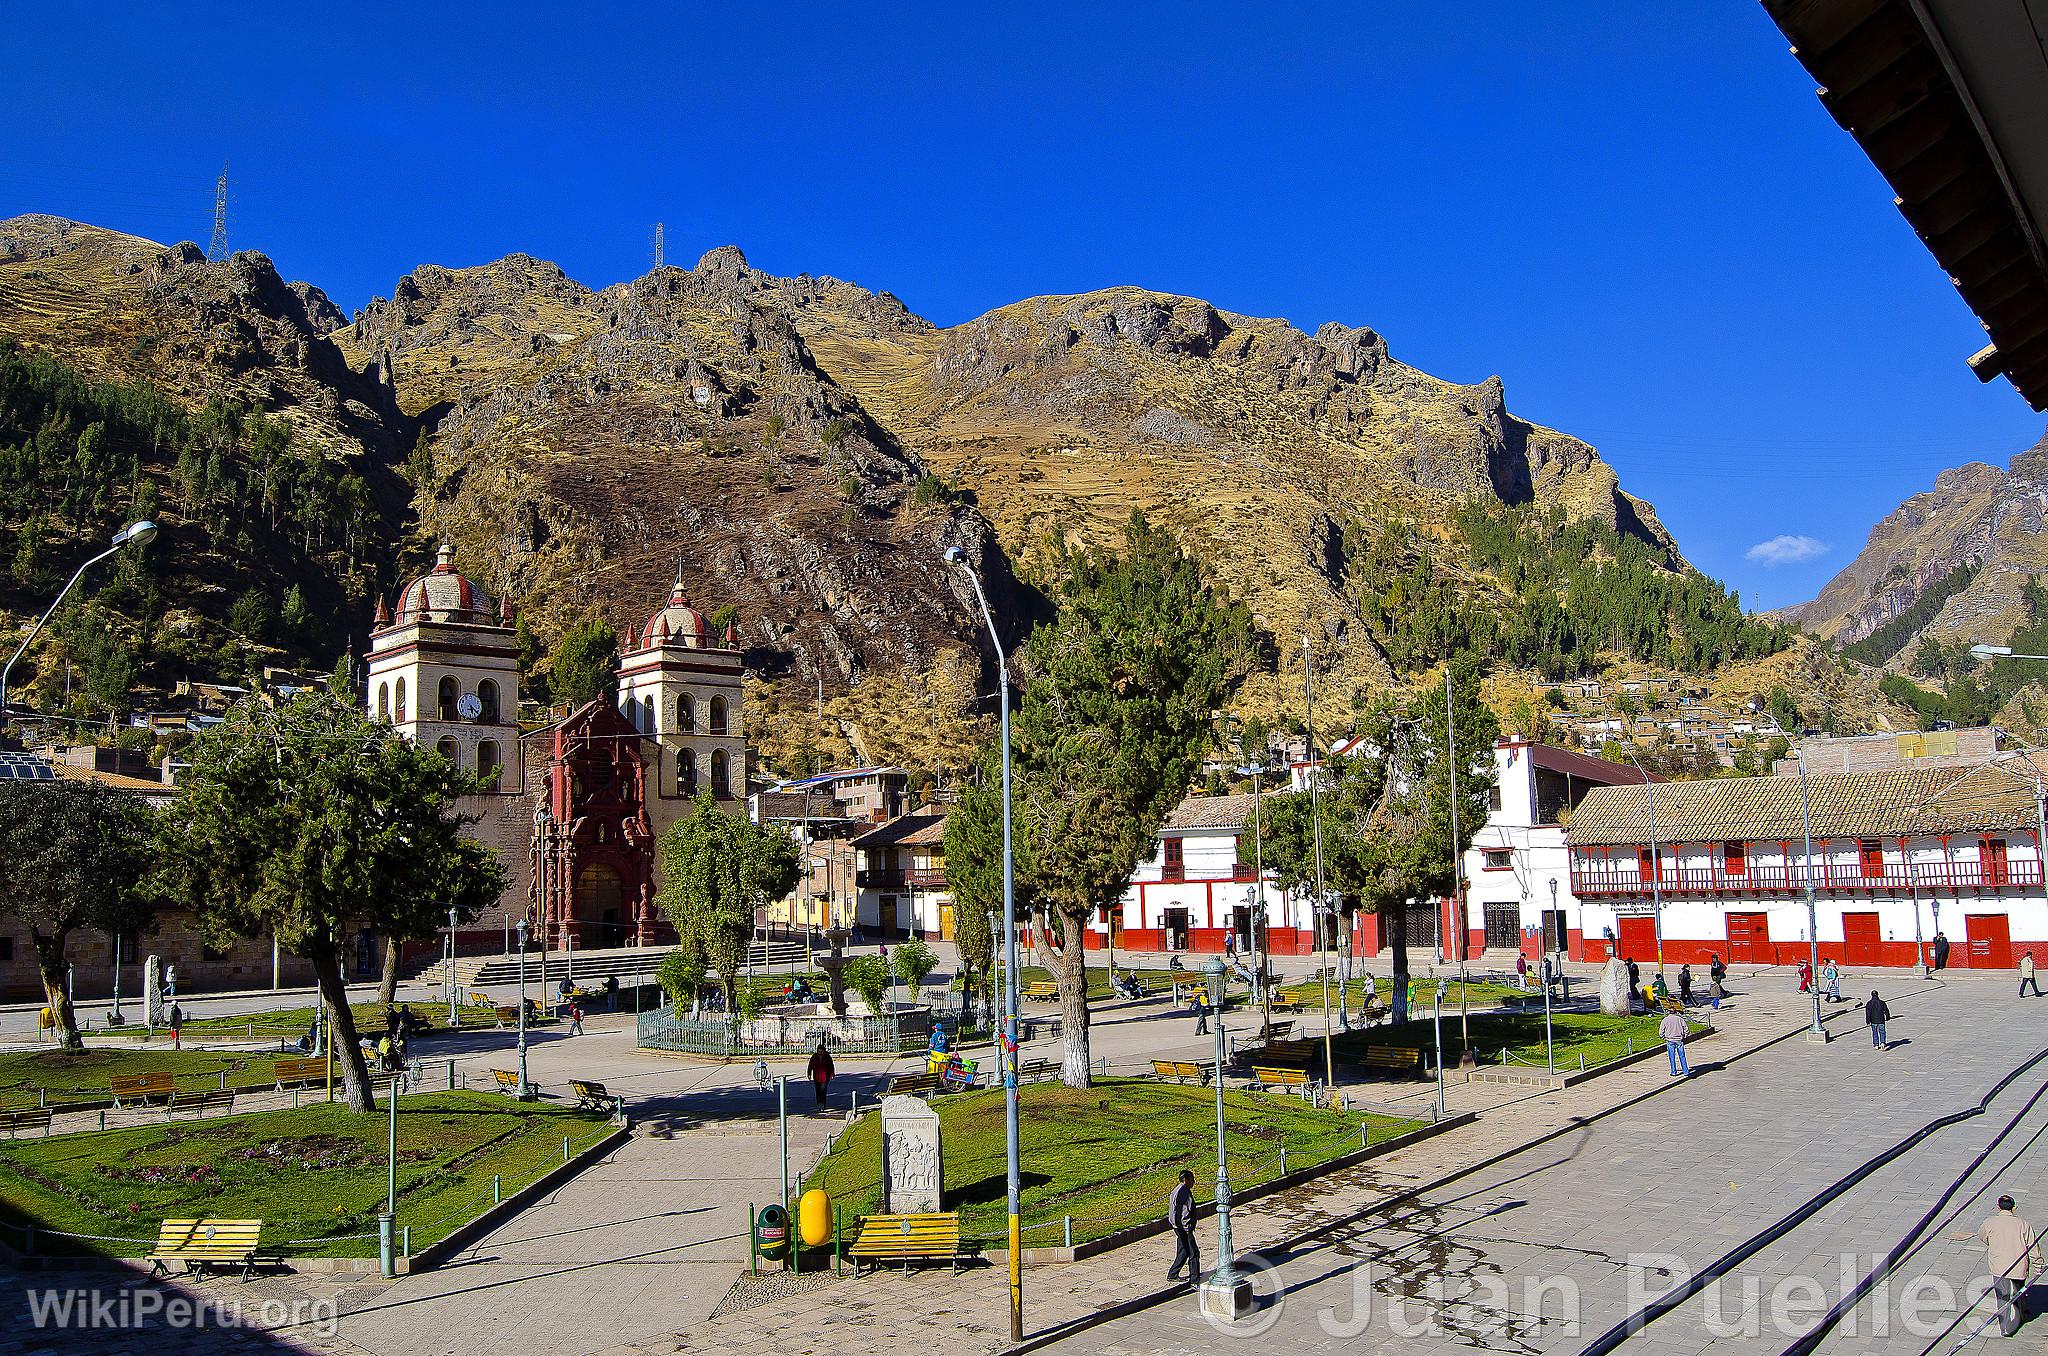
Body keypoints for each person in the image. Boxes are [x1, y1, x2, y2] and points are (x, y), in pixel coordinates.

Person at [1966, 1195, 2044, 1337]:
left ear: (1998, 1207)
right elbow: (2033, 1246)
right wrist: (2038, 1265)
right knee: (2019, 1292)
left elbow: (1982, 1236)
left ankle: (2005, 1327)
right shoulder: (2023, 1224)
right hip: (2019, 1266)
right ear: (2013, 1208)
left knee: (2002, 1297)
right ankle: (2021, 1317)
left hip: (1999, 1266)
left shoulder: (1989, 1223)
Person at [1166, 1169, 1199, 1283]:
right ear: (1186, 1179)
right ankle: (1195, 1279)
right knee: (1193, 1253)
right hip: (1184, 1228)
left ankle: (1173, 1273)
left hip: (1179, 1227)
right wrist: (1187, 1227)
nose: (1193, 1182)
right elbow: (1184, 1211)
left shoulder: (1178, 1190)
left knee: (1183, 1250)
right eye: (1192, 1179)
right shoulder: (1183, 1192)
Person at [1659, 1008, 1690, 1078]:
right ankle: (1686, 1071)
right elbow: (1686, 1029)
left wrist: (1664, 1037)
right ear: (1675, 1012)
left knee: (1671, 1057)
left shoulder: (1665, 1020)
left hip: (1670, 1040)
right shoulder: (1680, 1019)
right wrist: (1685, 1035)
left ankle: (1674, 1071)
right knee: (1682, 1056)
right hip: (1679, 1039)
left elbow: (1661, 1031)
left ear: (1669, 1012)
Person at [807, 1039, 834, 1110]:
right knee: (818, 1092)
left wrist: (832, 1074)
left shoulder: (827, 1057)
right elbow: (810, 1065)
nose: (820, 1053)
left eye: (821, 1051)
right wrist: (809, 1073)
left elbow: (831, 1066)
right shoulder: (814, 1057)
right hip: (816, 1077)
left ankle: (822, 1106)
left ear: (824, 1051)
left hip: (825, 1077)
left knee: (823, 1091)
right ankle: (819, 1105)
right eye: (819, 1051)